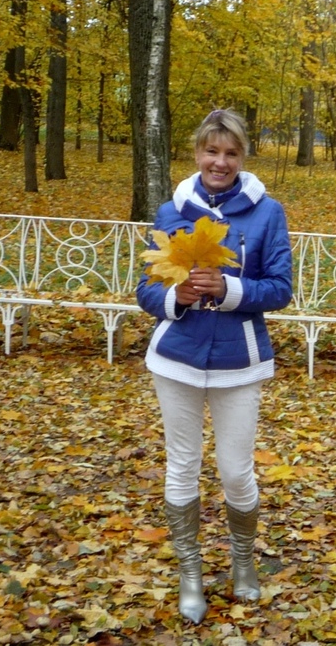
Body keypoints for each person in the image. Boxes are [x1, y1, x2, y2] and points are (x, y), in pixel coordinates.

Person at [136, 109, 292, 625]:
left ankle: (243, 562)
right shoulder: (171, 211)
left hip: (239, 361)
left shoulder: (267, 213)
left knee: (235, 470)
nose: (219, 162)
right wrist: (174, 298)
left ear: (242, 157)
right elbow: (145, 290)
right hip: (176, 359)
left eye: (230, 153)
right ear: (197, 153)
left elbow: (281, 288)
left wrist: (230, 290)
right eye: (211, 151)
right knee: (181, 464)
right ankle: (190, 574)